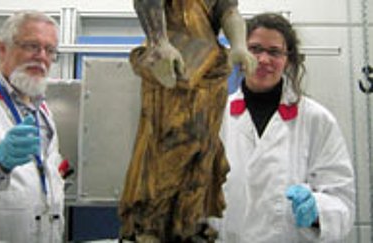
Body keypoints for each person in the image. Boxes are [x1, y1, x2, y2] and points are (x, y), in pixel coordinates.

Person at [119, 0, 256, 242]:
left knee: (204, 148)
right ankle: (150, 225)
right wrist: (160, 42)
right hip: (172, 64)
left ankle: (189, 221)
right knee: (168, 146)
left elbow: (228, 10)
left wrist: (239, 45)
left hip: (209, 67)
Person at [216, 12, 355, 242]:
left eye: (274, 52)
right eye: (255, 48)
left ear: (288, 59)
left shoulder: (316, 120)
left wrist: (317, 210)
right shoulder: (218, 116)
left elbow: (342, 200)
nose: (263, 59)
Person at [0, 11, 65, 242]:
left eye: (50, 50)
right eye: (32, 46)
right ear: (2, 49)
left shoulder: (41, 109)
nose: (42, 57)